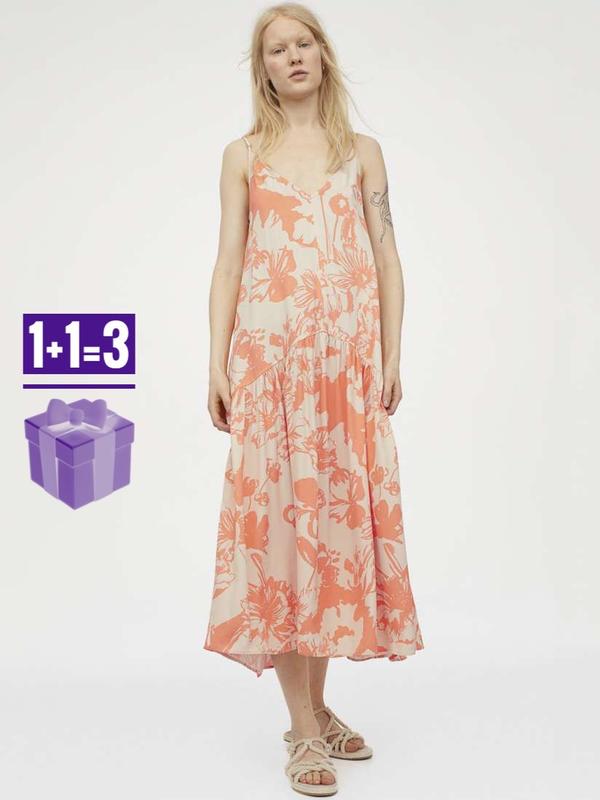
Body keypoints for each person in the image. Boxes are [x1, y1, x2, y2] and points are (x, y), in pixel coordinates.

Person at [203, 3, 424, 795]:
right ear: (262, 68)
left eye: (303, 44)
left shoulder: (361, 153)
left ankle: (316, 709)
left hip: (344, 375)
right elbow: (230, 262)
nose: (292, 57)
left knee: (328, 539)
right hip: (271, 371)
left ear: (323, 55)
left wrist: (391, 353)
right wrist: (217, 363)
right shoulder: (243, 155)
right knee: (283, 540)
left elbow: (387, 258)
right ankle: (303, 730)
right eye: (276, 49)